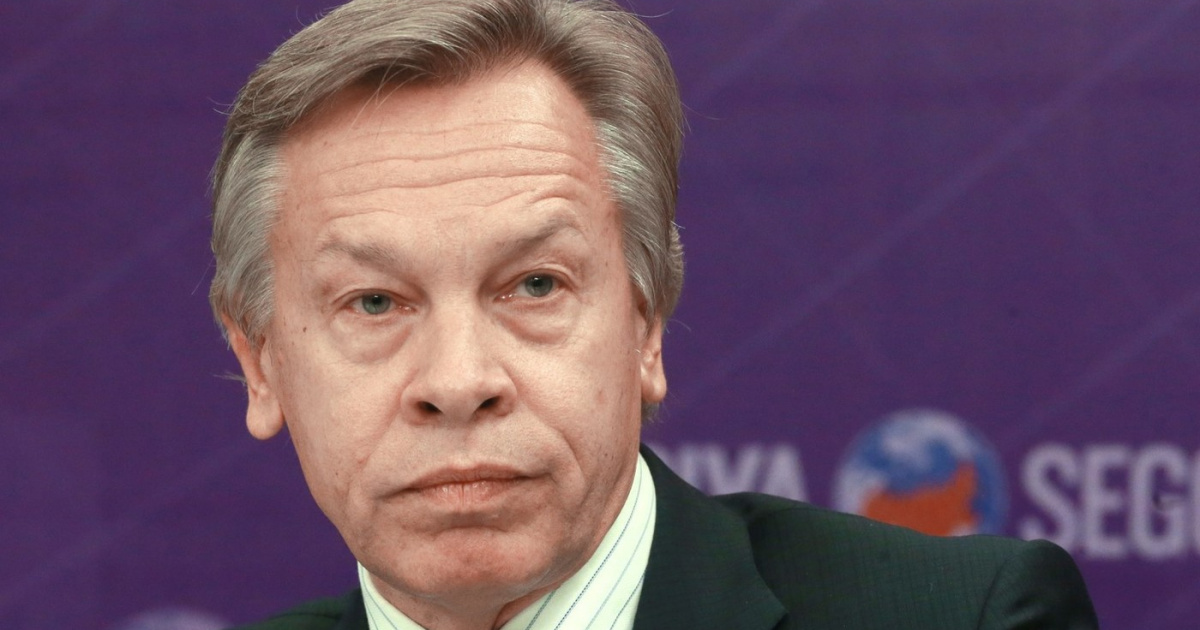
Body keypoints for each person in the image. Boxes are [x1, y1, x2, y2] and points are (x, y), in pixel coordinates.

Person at [209, 1, 1099, 628]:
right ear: (260, 363)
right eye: (374, 301)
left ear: (645, 324)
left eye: (534, 286)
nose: (459, 381)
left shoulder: (965, 618)